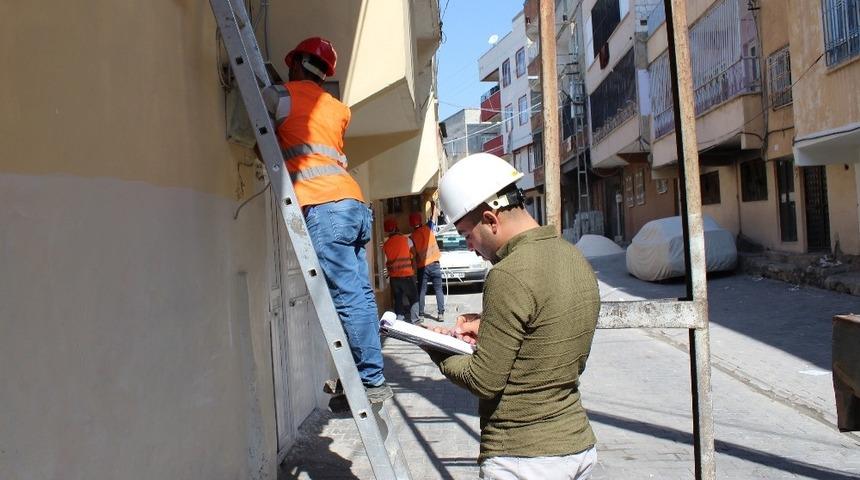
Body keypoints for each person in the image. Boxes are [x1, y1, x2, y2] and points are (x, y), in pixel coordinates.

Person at [427, 153, 601, 479]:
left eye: (467, 235)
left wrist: (437, 347)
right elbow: (544, 335)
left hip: (524, 456)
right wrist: (490, 326)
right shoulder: (573, 256)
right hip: (577, 444)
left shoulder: (507, 274)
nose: (470, 247)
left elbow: (484, 379)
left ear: (492, 220)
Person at [262, 37, 390, 402]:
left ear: (298, 64)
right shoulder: (338, 109)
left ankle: (370, 380)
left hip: (323, 205)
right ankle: (363, 374)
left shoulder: (279, 96)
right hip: (352, 203)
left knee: (347, 295)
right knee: (359, 294)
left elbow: (263, 138)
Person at [382, 218, 420, 323]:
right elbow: (414, 253)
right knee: (413, 298)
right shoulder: (406, 240)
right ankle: (415, 320)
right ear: (396, 227)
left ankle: (399, 320)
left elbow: (385, 261)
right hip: (407, 275)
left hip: (394, 277)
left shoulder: (386, 244)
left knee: (398, 299)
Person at [409, 212, 445, 321]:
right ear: (420, 220)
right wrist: (434, 208)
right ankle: (441, 314)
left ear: (411, 224)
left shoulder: (412, 237)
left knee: (422, 291)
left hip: (422, 267)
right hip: (435, 264)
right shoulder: (428, 227)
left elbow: (412, 254)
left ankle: (421, 314)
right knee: (438, 289)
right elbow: (434, 217)